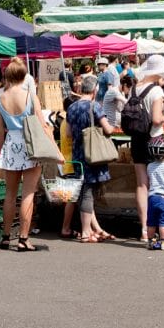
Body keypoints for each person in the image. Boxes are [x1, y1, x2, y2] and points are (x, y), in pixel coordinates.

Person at [0, 59, 59, 252]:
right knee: (28, 194)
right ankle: (23, 237)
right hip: (30, 144)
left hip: (10, 143)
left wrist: (1, 152)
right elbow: (43, 125)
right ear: (24, 76)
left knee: (10, 194)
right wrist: (55, 150)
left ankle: (6, 236)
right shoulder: (31, 96)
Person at [128, 54, 164, 238]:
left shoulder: (134, 89)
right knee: (163, 183)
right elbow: (157, 120)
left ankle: (144, 229)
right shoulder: (157, 91)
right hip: (155, 140)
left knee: (142, 184)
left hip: (137, 139)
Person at [61, 89, 117, 242]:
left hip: (78, 155)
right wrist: (111, 126)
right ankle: (86, 231)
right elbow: (108, 129)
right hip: (92, 154)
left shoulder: (71, 108)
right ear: (94, 90)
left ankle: (93, 229)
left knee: (84, 191)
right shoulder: (95, 106)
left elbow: (68, 134)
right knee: (87, 192)